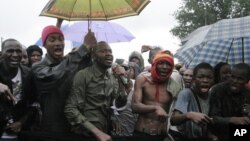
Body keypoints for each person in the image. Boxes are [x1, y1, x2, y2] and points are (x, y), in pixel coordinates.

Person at [31, 25, 96, 133]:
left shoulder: (70, 62)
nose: (58, 43)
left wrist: (89, 51)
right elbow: (55, 76)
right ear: (44, 45)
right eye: (52, 40)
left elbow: (86, 71)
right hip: (52, 129)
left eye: (61, 39)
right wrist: (83, 48)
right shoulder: (38, 67)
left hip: (75, 125)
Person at [64, 41, 128, 141]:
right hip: (85, 135)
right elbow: (70, 109)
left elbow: (118, 105)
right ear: (93, 55)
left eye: (110, 51)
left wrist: (121, 81)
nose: (108, 54)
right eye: (103, 51)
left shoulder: (111, 78)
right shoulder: (83, 75)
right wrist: (96, 132)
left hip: (105, 133)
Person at [132, 50, 182, 140]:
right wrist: (155, 108)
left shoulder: (174, 85)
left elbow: (175, 113)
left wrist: (170, 135)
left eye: (168, 64)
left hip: (162, 136)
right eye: (161, 63)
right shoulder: (142, 79)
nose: (164, 67)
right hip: (141, 134)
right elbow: (135, 106)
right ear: (154, 64)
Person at [0, 39, 34, 140]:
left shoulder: (29, 74)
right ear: (2, 53)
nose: (15, 54)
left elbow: (34, 103)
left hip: (20, 134)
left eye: (18, 51)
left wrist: (21, 122)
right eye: (10, 51)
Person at [170, 63, 214, 141]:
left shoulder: (211, 96)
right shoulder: (186, 93)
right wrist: (189, 115)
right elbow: (173, 119)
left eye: (209, 77)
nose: (205, 80)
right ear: (193, 79)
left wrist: (210, 135)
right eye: (201, 77)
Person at [209, 63, 250, 141]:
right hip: (218, 134)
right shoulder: (217, 90)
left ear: (247, 80)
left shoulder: (247, 93)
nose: (235, 81)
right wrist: (233, 120)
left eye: (240, 79)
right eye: (232, 77)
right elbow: (211, 118)